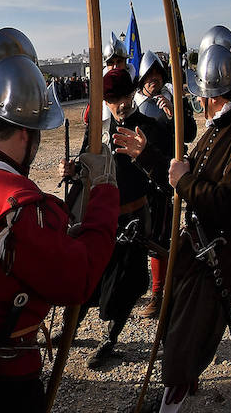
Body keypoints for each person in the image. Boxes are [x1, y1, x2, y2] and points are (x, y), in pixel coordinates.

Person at [0, 27, 119, 413]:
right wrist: (104, 190)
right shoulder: (16, 205)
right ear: (24, 133)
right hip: (1, 377)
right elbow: (79, 277)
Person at [159, 33, 231, 413]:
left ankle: (171, 405)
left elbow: (226, 206)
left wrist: (183, 180)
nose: (199, 103)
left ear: (212, 96)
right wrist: (151, 157)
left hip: (216, 259)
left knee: (185, 345)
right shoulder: (220, 127)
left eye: (201, 95)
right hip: (195, 252)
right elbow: (186, 172)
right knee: (176, 329)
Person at [64, 68, 171, 368]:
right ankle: (69, 330)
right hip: (100, 218)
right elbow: (86, 163)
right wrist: (72, 171)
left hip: (134, 219)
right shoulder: (97, 129)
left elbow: (168, 166)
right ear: (105, 102)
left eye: (125, 96)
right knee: (89, 277)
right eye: (113, 99)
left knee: (125, 286)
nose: (122, 104)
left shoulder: (150, 127)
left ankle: (109, 340)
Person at [133, 51, 196, 318]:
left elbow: (190, 134)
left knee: (171, 234)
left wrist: (174, 115)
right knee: (151, 236)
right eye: (149, 79)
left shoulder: (177, 101)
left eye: (157, 77)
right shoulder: (139, 109)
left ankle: (166, 291)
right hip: (151, 177)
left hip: (175, 174)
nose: (153, 83)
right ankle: (157, 291)